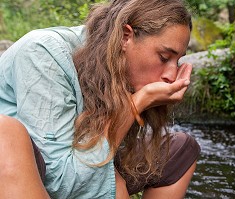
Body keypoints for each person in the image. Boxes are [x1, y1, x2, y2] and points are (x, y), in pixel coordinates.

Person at [0, 0, 200, 198]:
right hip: (36, 172)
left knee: (181, 149)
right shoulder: (44, 53)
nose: (172, 75)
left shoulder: (119, 67)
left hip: (83, 161)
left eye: (178, 60)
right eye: (165, 57)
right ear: (125, 37)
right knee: (5, 130)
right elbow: (60, 183)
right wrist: (137, 103)